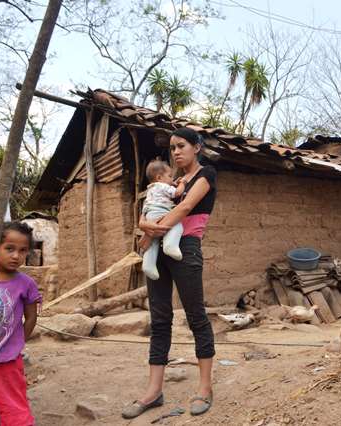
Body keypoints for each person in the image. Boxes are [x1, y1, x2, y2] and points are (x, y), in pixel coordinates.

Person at [123, 127, 217, 419]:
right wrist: (144, 224)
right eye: (173, 148)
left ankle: (204, 387)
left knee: (195, 315)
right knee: (160, 319)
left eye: (182, 146)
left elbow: (186, 207)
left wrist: (150, 231)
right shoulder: (168, 182)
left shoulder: (206, 175)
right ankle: (154, 390)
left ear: (196, 147)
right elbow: (145, 210)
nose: (176, 152)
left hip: (185, 247)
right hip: (159, 248)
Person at [0, 222, 41, 426]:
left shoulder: (25, 283)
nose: (16, 256)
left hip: (6, 360)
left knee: (13, 408)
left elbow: (31, 317)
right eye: (9, 249)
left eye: (22, 251)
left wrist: (17, 342)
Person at [141, 160, 187, 280]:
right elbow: (177, 193)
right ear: (159, 177)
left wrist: (172, 183)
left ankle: (148, 264)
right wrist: (182, 183)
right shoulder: (163, 186)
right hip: (161, 212)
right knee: (177, 226)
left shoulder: (151, 189)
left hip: (150, 216)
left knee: (153, 242)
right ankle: (170, 245)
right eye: (170, 176)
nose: (172, 179)